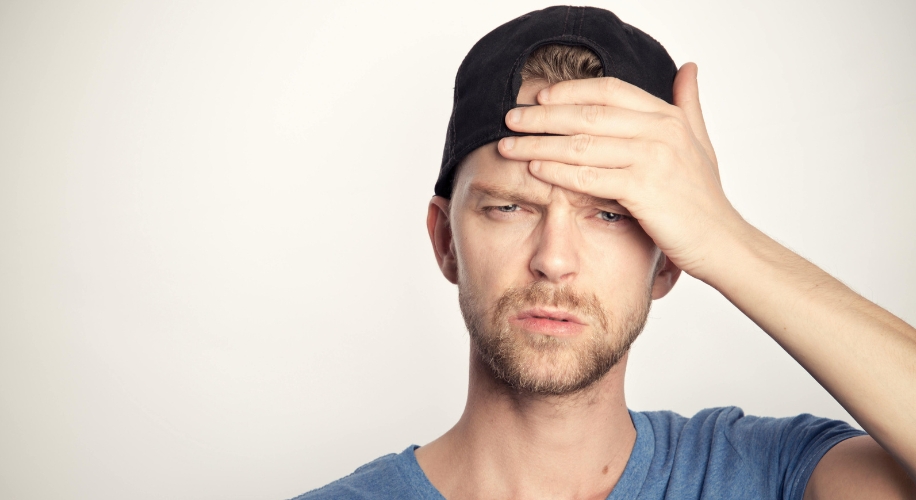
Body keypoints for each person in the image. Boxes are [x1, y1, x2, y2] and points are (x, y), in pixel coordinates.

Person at [293, 6, 916, 499]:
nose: (554, 260)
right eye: (511, 207)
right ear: (445, 241)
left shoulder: (772, 476)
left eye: (609, 215)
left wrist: (727, 238)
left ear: (668, 260)